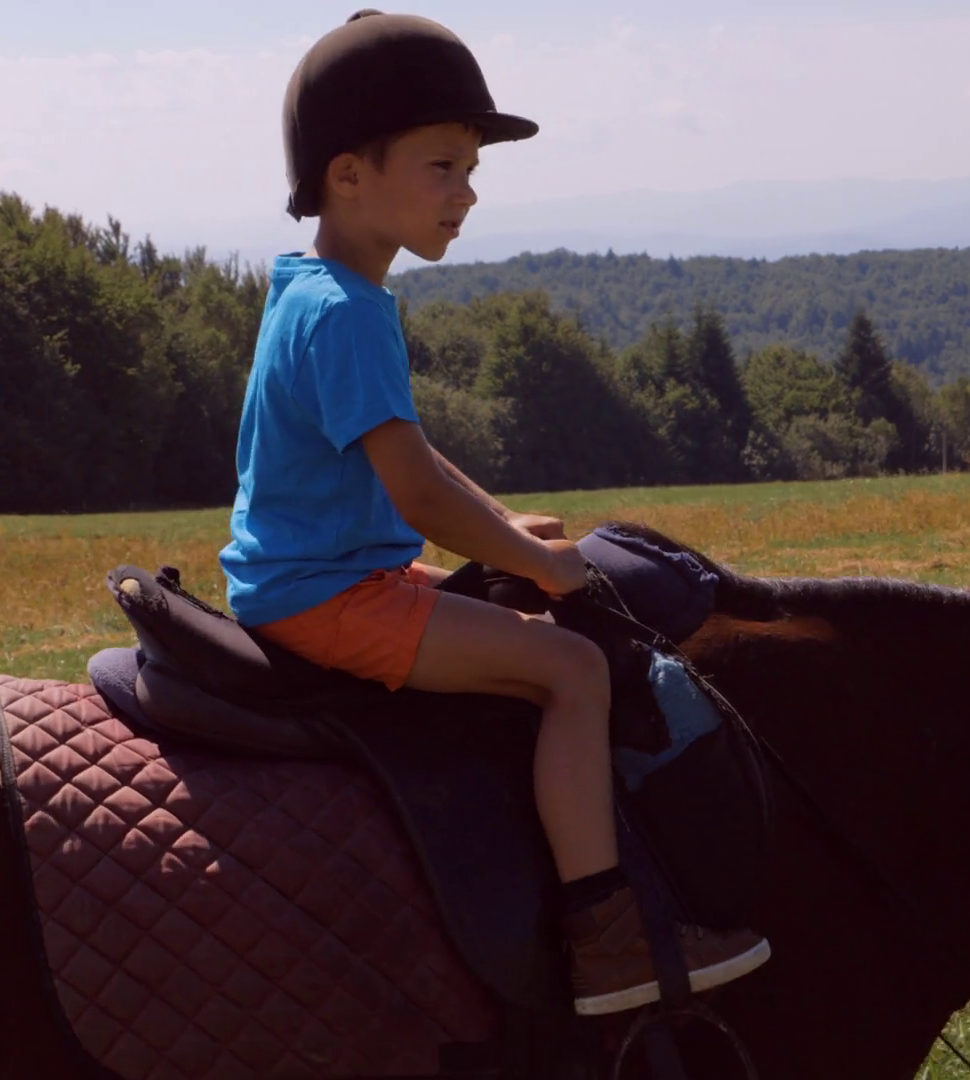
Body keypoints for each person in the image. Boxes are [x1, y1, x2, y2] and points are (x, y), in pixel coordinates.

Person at [220, 10, 769, 1016]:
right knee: (567, 668)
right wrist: (549, 572)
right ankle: (609, 937)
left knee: (536, 562)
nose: (467, 193)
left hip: (328, 572)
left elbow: (411, 458)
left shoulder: (313, 288)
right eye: (442, 166)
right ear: (349, 174)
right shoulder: (347, 311)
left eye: (472, 169)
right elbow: (416, 493)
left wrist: (519, 534)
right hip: (327, 593)